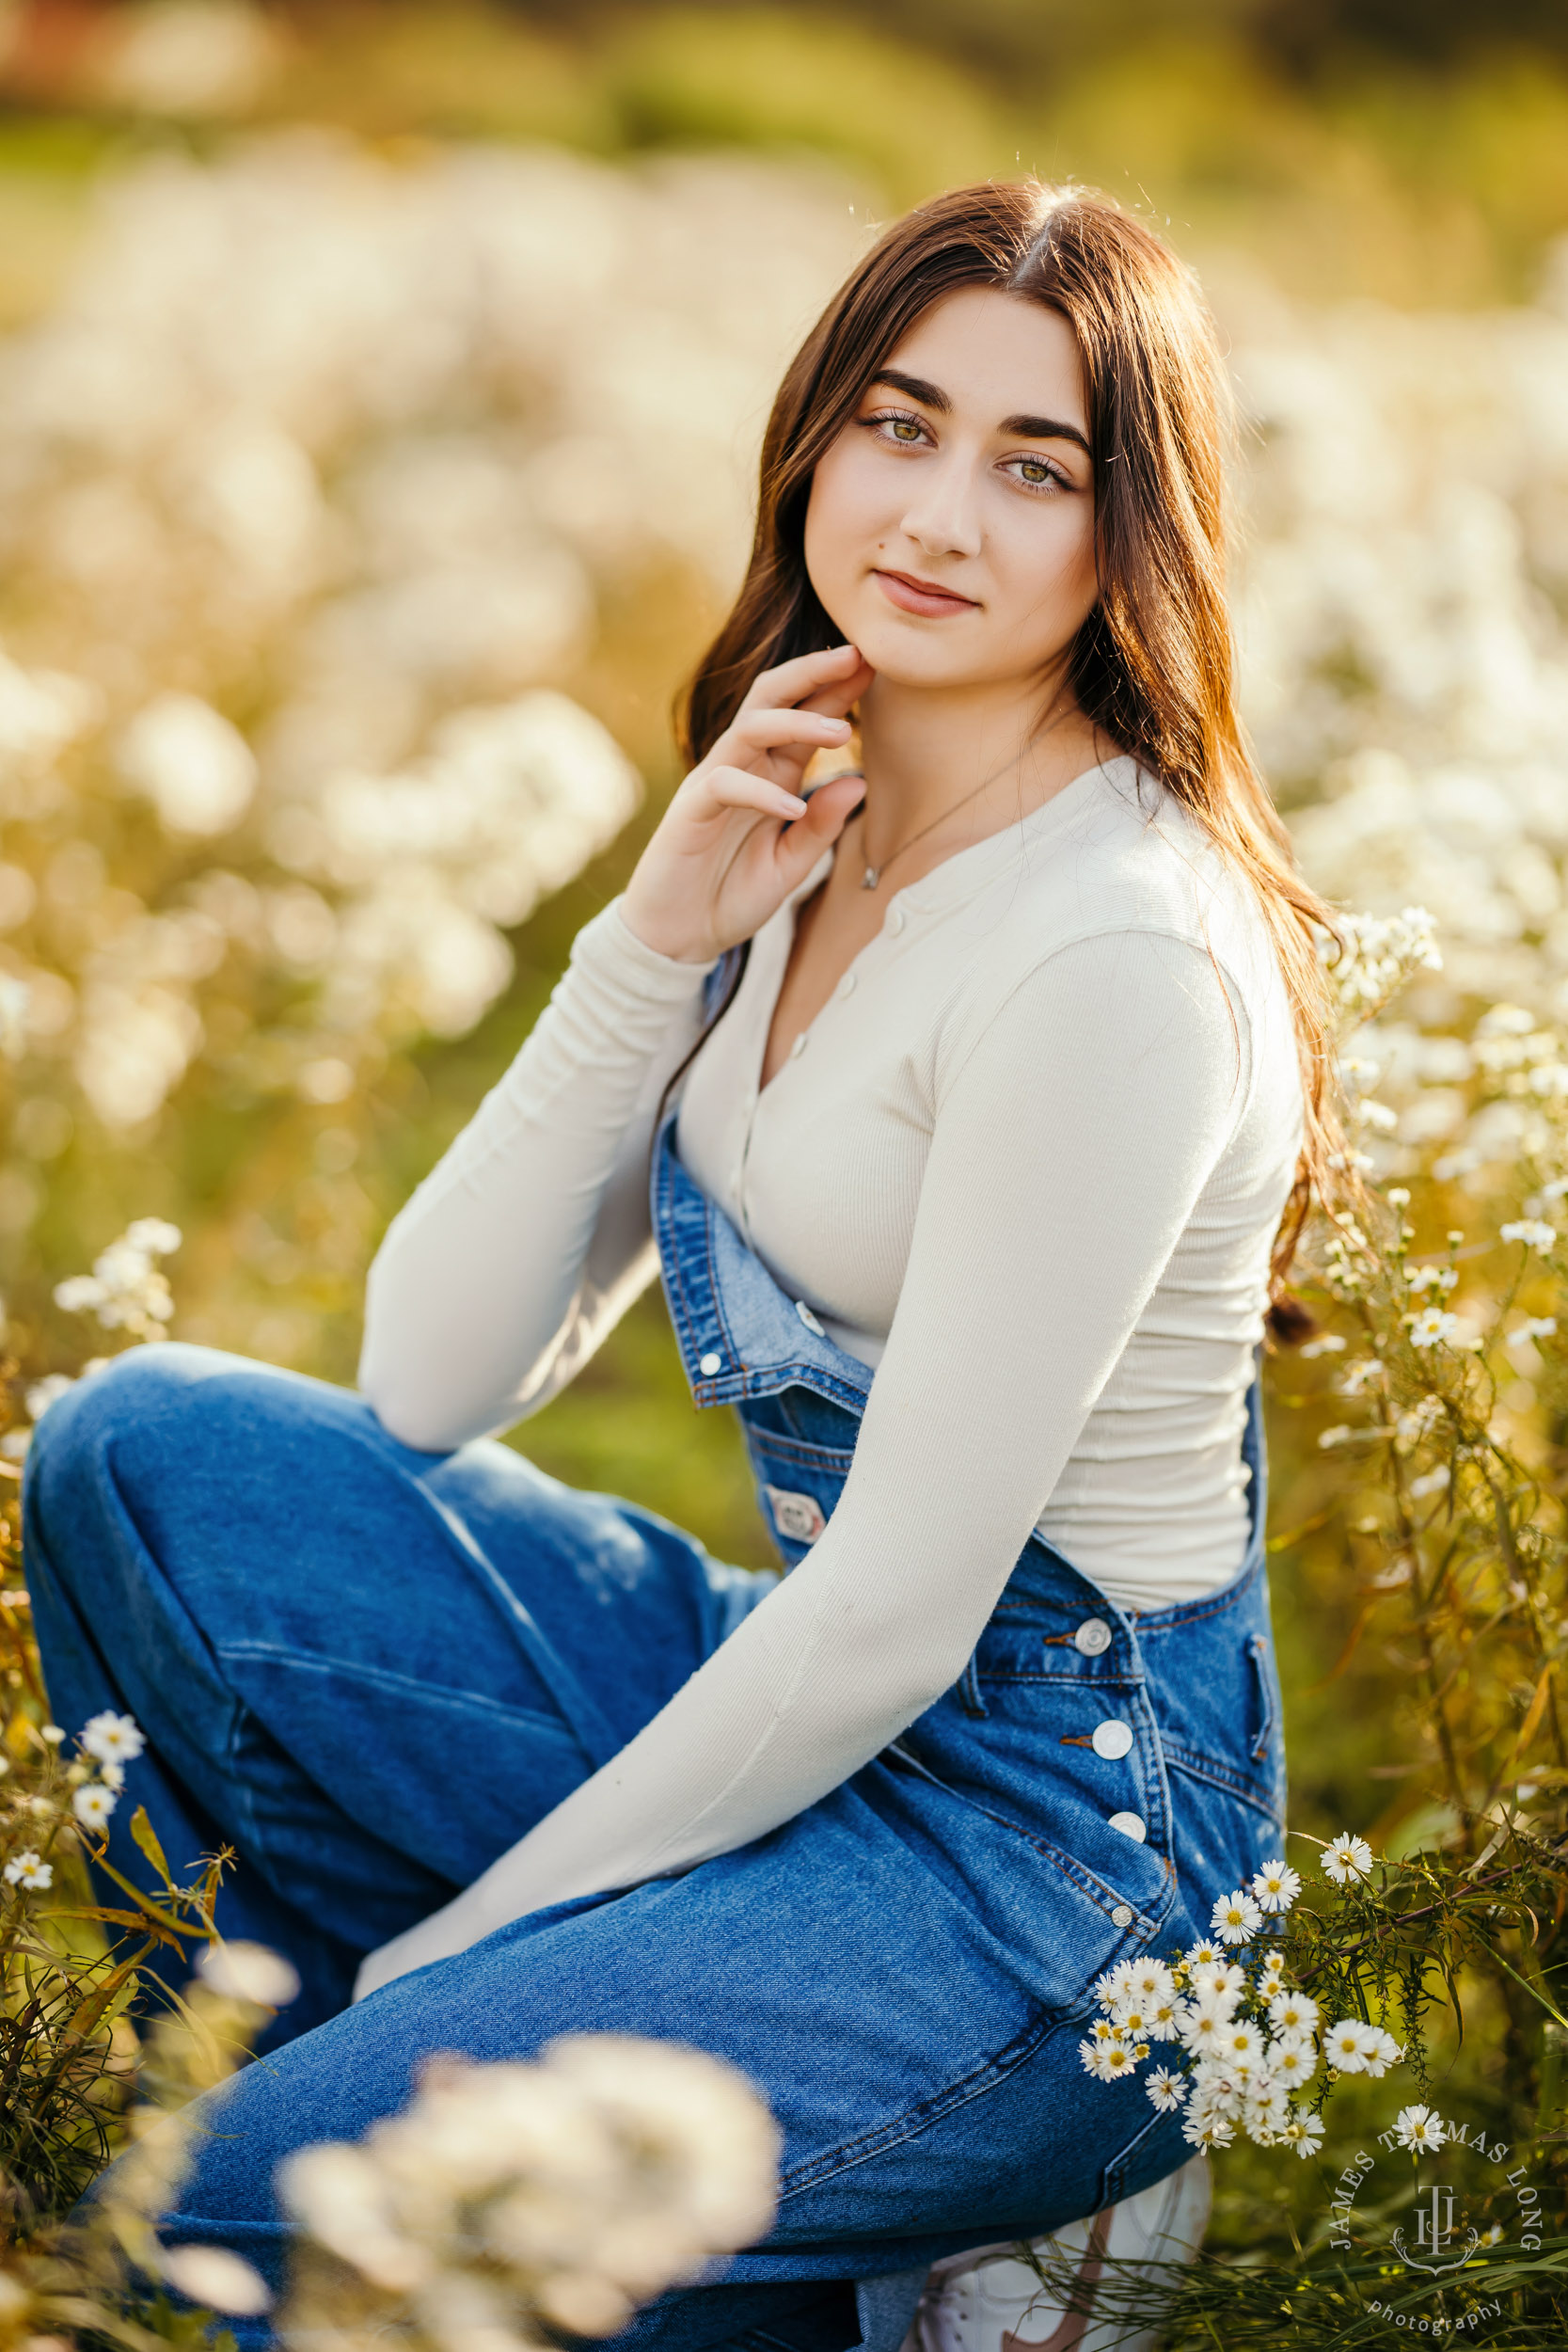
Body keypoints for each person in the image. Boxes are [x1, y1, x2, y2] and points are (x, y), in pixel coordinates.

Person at [24, 178, 1340, 2352]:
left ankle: (772, 2207)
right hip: (802, 1678)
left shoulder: (1113, 946)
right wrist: (653, 943)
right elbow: (435, 1375)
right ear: (816, 434)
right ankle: (648, 2228)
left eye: (1038, 468)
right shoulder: (804, 799)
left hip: (1047, 1856)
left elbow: (911, 1611)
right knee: (139, 1453)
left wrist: (479, 1940)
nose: (936, 511)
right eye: (898, 425)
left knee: (244, 2212)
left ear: (1140, 536)